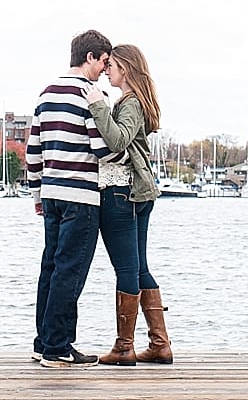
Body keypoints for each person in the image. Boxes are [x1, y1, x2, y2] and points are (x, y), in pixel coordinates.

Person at [26, 29, 113, 369]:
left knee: (50, 266)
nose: (105, 69)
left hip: (51, 194)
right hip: (81, 195)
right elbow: (102, 148)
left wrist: (36, 194)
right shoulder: (90, 95)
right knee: (70, 271)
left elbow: (34, 151)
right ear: (90, 57)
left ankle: (43, 341)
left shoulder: (46, 93)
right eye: (104, 61)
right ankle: (58, 348)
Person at [83, 43, 172, 366]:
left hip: (123, 193)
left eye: (112, 66)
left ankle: (124, 348)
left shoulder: (130, 103)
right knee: (139, 268)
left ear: (126, 69)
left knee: (127, 270)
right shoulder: (135, 101)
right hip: (139, 193)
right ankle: (159, 344)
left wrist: (97, 107)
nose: (107, 70)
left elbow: (117, 140)